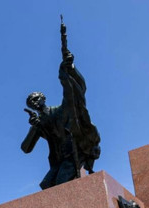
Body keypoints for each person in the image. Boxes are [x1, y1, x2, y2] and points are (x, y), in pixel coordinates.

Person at [21, 47, 100, 190]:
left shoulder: (59, 111)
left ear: (43, 98)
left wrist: (68, 70)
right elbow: (25, 148)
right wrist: (35, 128)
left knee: (60, 185)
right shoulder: (39, 123)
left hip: (74, 153)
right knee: (46, 185)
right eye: (31, 102)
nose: (34, 102)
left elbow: (73, 93)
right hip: (58, 160)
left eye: (36, 98)